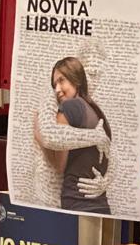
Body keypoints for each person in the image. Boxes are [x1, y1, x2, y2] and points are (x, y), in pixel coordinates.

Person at [31, 56, 112, 214]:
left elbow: (59, 164)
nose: (57, 89)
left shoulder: (70, 107)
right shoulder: (98, 113)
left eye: (61, 80)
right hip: (101, 204)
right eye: (54, 84)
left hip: (76, 202)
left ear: (77, 79)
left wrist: (39, 137)